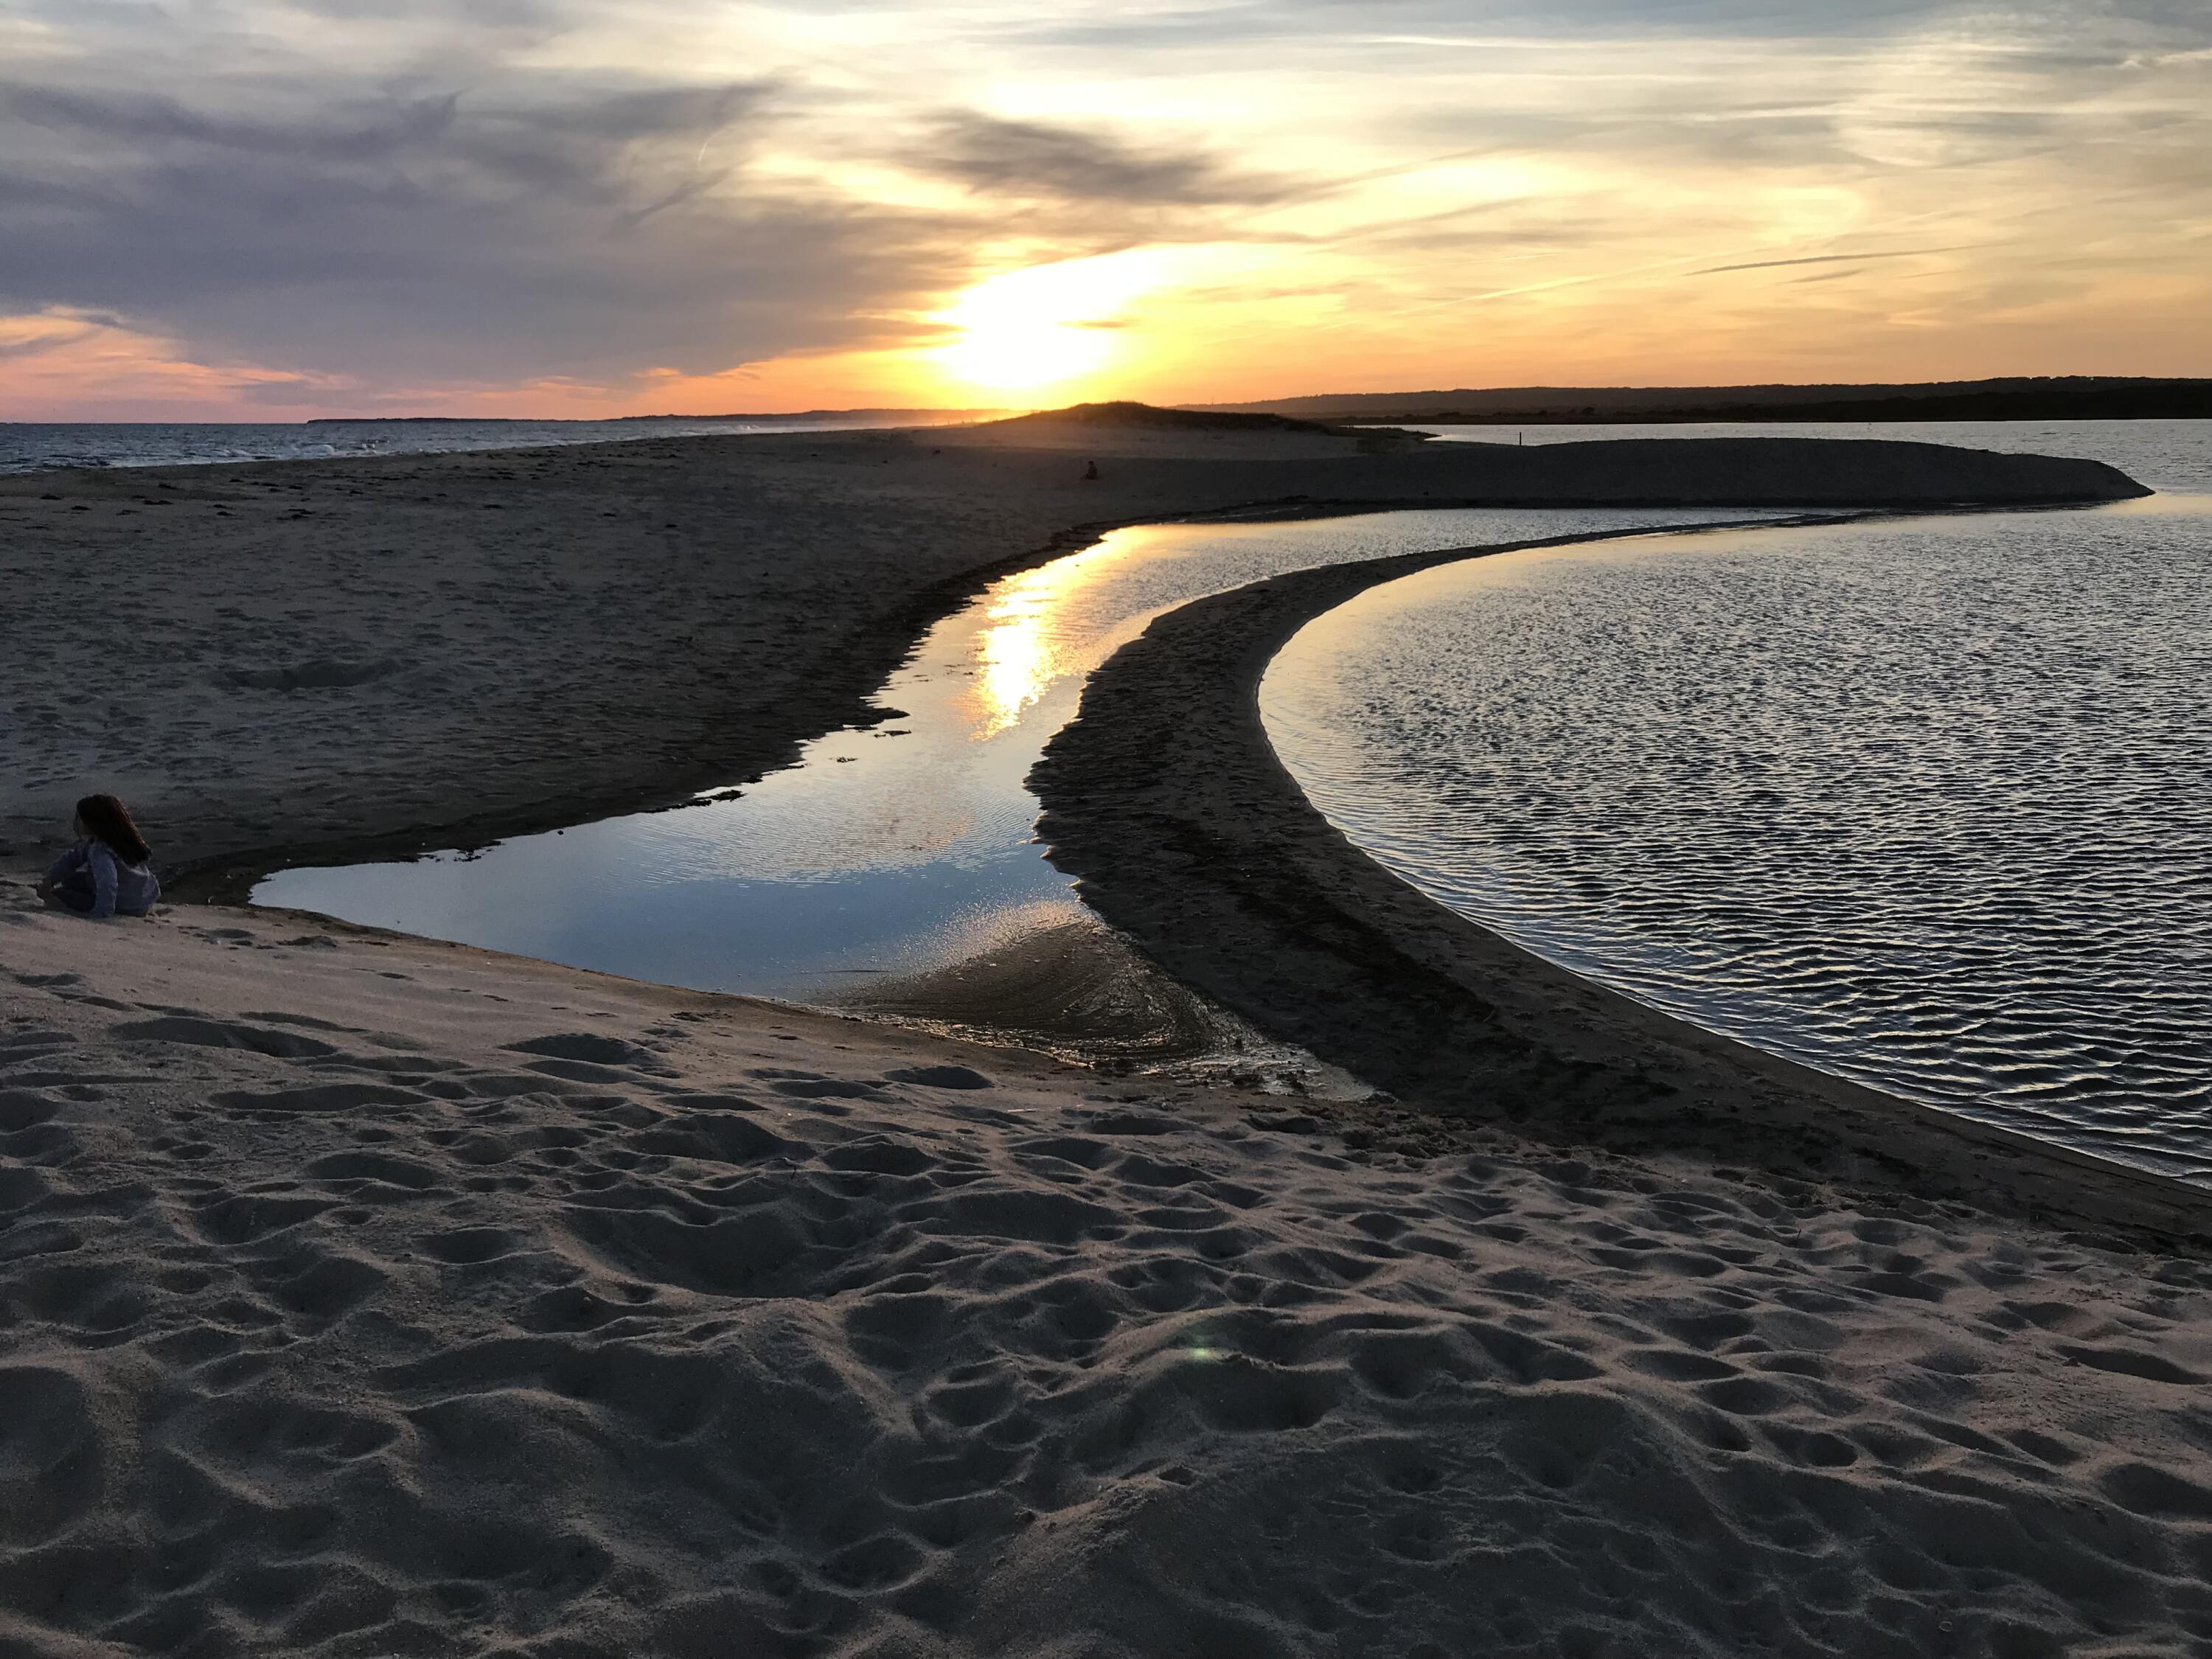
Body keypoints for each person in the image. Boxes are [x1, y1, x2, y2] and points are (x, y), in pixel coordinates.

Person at [38, 793, 160, 919]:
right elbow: (71, 859)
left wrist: (102, 912)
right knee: (71, 879)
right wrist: (50, 879)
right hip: (143, 896)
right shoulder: (119, 841)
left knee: (60, 895)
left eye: (80, 818)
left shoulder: (100, 852)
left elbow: (107, 883)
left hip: (124, 904)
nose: (77, 822)